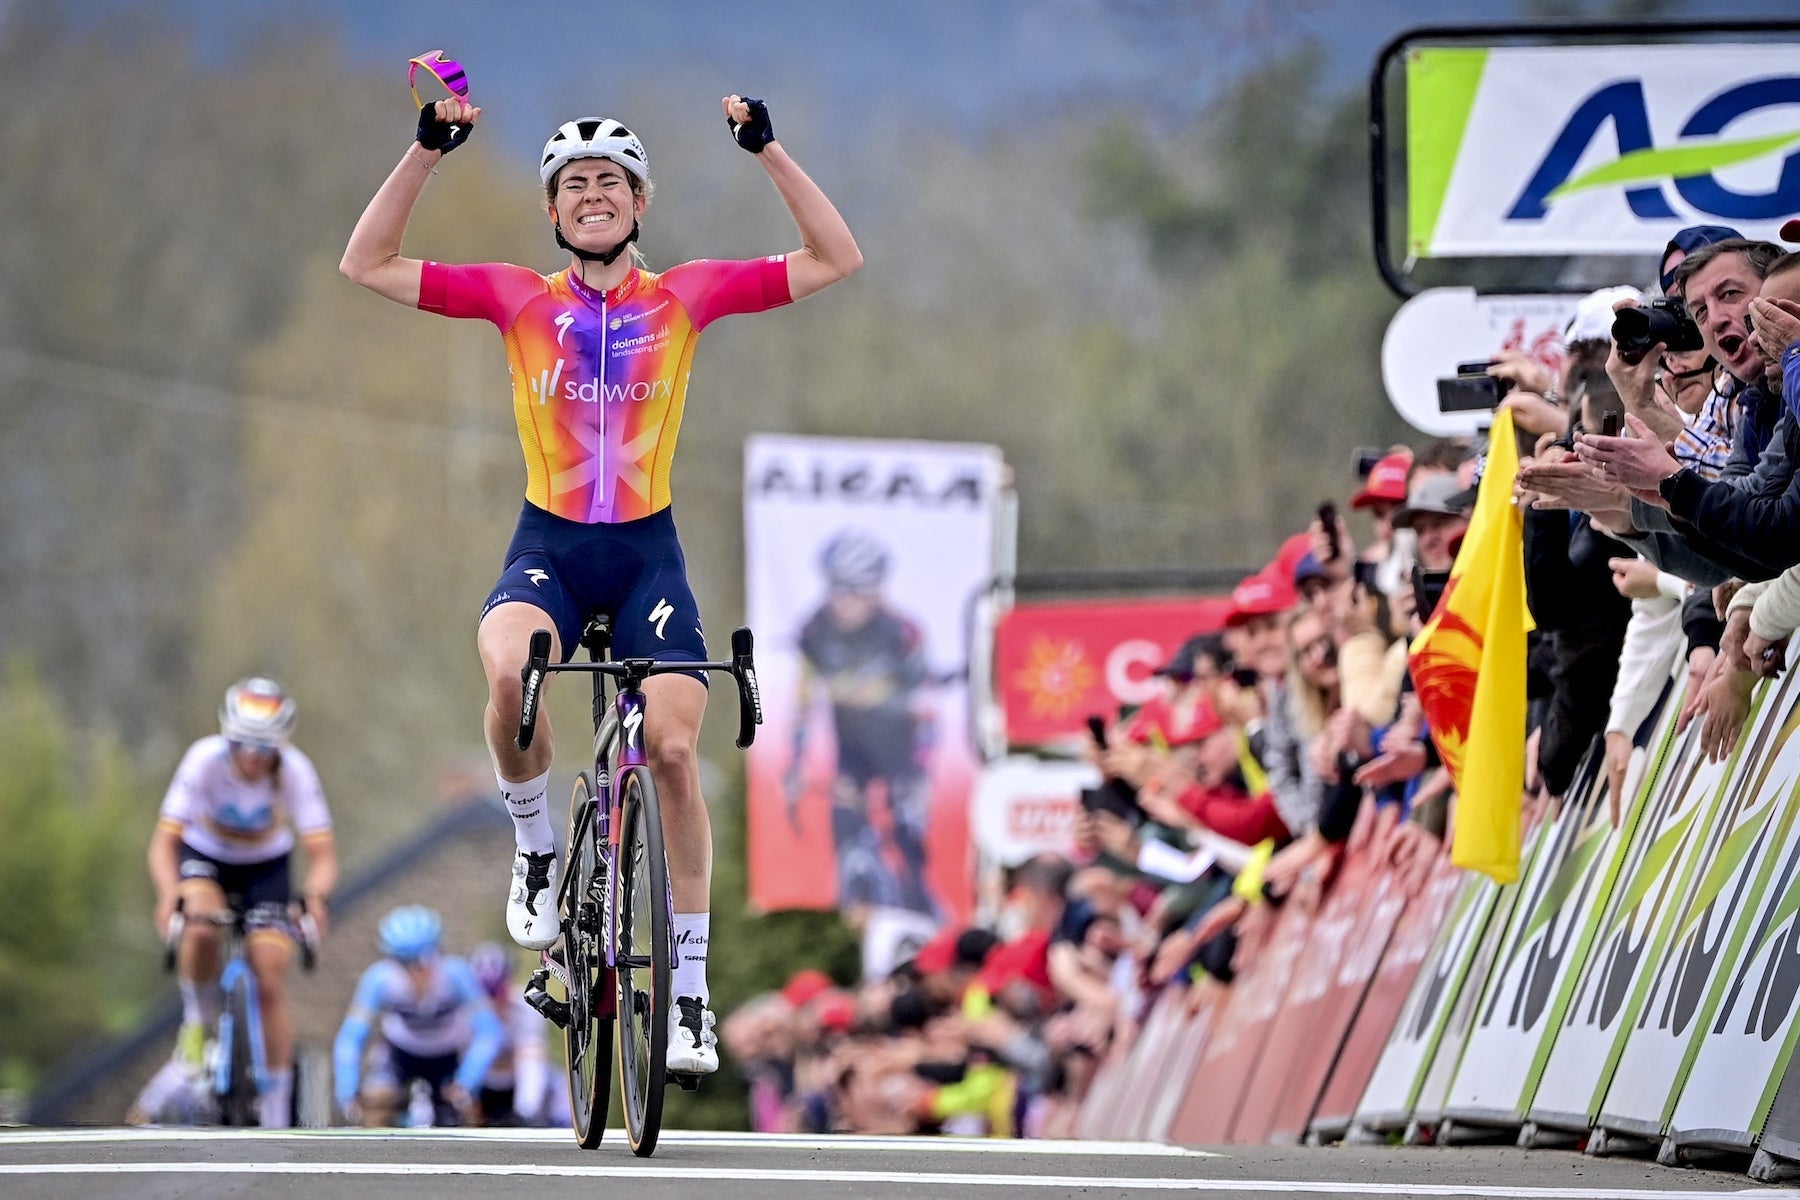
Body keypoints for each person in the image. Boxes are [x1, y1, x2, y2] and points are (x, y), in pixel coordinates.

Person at [340, 89, 862, 1077]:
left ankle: (690, 996)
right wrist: (425, 153)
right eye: (574, 183)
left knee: (673, 750)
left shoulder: (687, 296)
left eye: (611, 181)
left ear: (640, 201)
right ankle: (538, 848)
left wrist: (768, 150)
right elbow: (366, 262)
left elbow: (836, 258)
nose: (592, 194)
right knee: (511, 674)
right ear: (552, 209)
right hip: (551, 547)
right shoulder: (517, 298)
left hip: (646, 556)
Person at [147, 677, 338, 1129]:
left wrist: (314, 898)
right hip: (205, 856)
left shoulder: (295, 770)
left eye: (264, 747)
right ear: (226, 736)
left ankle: (276, 1109)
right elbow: (163, 844)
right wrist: (168, 893)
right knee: (199, 925)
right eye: (242, 744)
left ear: (280, 745)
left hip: (265, 867)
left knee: (269, 977)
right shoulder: (203, 759)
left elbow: (323, 856)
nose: (252, 756)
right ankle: (197, 1021)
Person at [789, 528, 937, 915]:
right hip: (852, 752)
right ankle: (855, 925)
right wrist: (796, 762)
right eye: (835, 587)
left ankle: (919, 908)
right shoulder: (814, 629)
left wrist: (920, 774)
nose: (842, 601)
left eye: (854, 590)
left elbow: (927, 709)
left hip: (901, 750)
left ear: (876, 590)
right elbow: (804, 700)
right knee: (848, 840)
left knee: (907, 843)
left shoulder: (903, 633)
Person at [333, 906, 505, 1127]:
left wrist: (467, 1080)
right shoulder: (378, 979)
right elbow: (350, 1037)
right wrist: (348, 1090)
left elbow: (489, 1031)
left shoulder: (457, 974)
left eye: (425, 961)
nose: (418, 971)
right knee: (377, 1102)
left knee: (465, 1110)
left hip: (448, 1056)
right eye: (407, 964)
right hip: (399, 1054)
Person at [467, 941, 554, 1126]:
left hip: (515, 1082)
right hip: (481, 1085)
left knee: (534, 1057)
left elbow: (532, 1054)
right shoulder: (466, 1010)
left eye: (498, 990)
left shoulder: (526, 1008)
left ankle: (527, 1114)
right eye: (487, 993)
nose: (494, 1000)